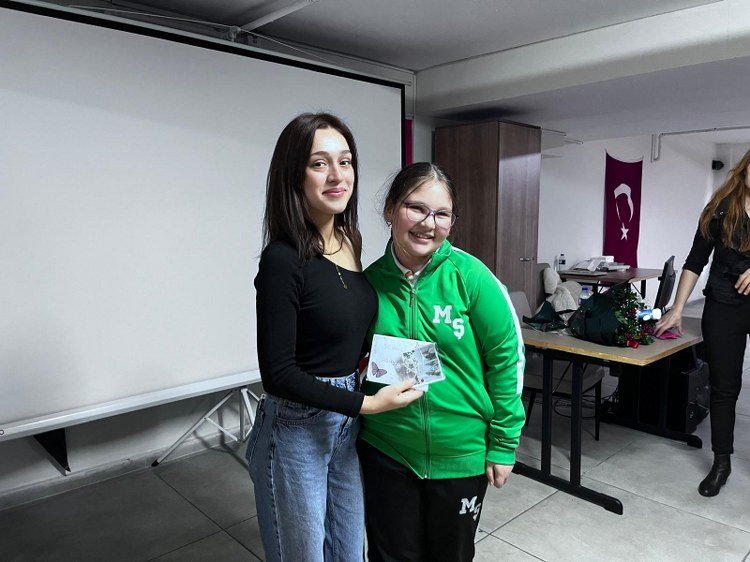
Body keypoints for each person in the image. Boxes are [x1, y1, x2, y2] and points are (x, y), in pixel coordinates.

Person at [245, 113, 423, 562]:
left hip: (344, 424)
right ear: (295, 175)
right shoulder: (282, 259)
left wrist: (399, 360)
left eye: (345, 162)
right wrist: (368, 404)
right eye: (319, 163)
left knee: (349, 553)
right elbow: (278, 374)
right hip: (295, 428)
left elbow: (345, 331)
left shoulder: (350, 239)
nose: (337, 175)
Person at [358, 162, 526, 561]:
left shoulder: (471, 277)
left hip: (460, 454)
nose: (428, 224)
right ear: (390, 209)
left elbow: (507, 359)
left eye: (442, 214)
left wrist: (503, 444)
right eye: (416, 208)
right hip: (387, 449)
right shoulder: (369, 283)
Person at [655, 149, 750, 497]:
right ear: (745, 169)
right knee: (724, 388)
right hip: (724, 306)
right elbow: (696, 261)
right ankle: (721, 463)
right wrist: (678, 307)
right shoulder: (720, 209)